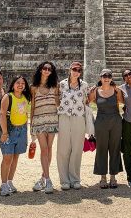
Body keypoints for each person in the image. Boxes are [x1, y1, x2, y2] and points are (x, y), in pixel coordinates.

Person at [87, 69, 124, 189]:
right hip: (101, 121)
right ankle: (103, 177)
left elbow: (123, 102)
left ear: (111, 78)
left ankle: (113, 176)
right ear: (100, 78)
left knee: (115, 148)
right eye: (104, 76)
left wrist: (119, 90)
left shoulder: (117, 91)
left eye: (108, 76)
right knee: (101, 149)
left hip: (115, 121)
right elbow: (86, 102)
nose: (106, 78)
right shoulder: (96, 91)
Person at [57, 61, 90, 190]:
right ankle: (64, 180)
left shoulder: (84, 85)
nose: (76, 72)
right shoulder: (62, 84)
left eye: (79, 70)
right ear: (70, 70)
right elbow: (57, 99)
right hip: (64, 117)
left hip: (78, 118)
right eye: (74, 69)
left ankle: (75, 178)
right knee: (63, 149)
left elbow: (87, 101)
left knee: (77, 149)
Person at [0, 75, 31, 196]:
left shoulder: (25, 97)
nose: (21, 85)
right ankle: (3, 184)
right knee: (7, 157)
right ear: (13, 85)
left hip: (22, 129)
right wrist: (5, 132)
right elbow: (2, 114)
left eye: (23, 83)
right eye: (18, 82)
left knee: (15, 157)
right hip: (9, 130)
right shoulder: (8, 97)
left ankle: (10, 181)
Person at [30, 61, 59, 194]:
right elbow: (32, 106)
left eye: (50, 69)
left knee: (49, 148)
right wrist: (32, 125)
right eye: (45, 68)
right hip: (39, 120)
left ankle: (43, 178)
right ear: (41, 70)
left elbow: (58, 103)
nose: (47, 70)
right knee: (44, 149)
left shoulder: (55, 86)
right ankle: (48, 179)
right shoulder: (34, 87)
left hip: (52, 119)